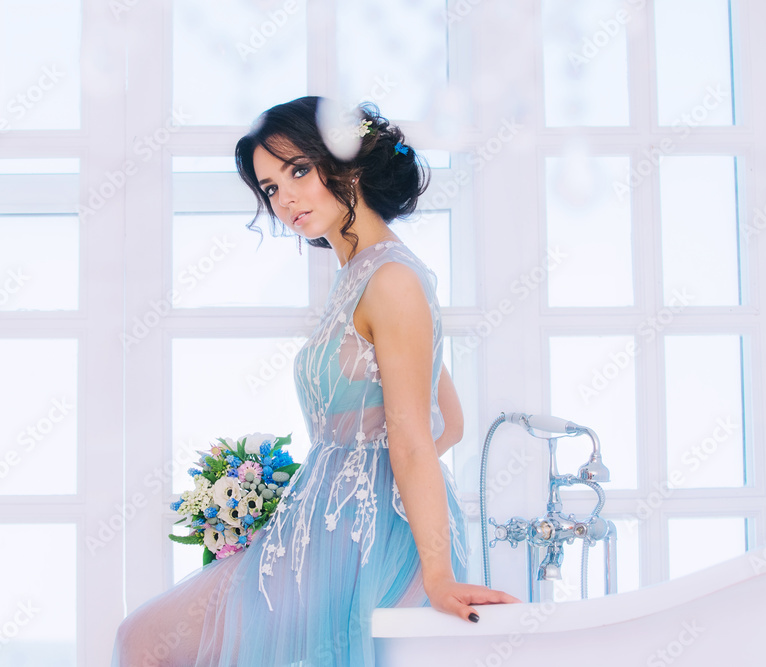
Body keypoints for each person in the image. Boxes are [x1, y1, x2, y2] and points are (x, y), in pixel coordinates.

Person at [111, 96, 520, 667]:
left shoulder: (393, 280)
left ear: (348, 165)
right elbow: (446, 419)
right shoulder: (360, 274)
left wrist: (436, 572)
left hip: (361, 539)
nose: (285, 198)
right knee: (144, 638)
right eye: (271, 187)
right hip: (323, 523)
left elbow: (413, 436)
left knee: (144, 640)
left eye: (298, 170)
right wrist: (327, 489)